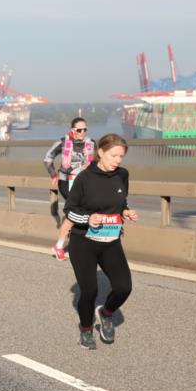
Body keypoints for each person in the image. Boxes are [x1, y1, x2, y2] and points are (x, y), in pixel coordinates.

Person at [64, 133, 138, 350]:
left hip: (111, 240)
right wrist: (89, 218)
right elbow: (69, 211)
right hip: (83, 241)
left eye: (121, 156)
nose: (118, 160)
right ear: (101, 153)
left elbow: (120, 201)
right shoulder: (84, 178)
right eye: (114, 155)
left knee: (124, 287)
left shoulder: (122, 175)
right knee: (89, 291)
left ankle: (106, 314)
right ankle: (86, 329)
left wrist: (126, 212)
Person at [44, 117, 96, 261]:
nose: (82, 132)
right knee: (76, 212)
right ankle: (61, 246)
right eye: (79, 130)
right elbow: (47, 158)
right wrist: (53, 175)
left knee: (81, 212)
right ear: (72, 130)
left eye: (85, 129)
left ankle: (72, 244)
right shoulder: (62, 142)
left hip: (85, 183)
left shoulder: (91, 144)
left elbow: (97, 162)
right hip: (67, 182)